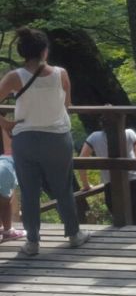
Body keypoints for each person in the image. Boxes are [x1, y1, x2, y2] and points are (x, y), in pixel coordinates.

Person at [0, 27, 89, 255]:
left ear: (23, 52)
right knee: (63, 188)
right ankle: (74, 234)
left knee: (29, 191)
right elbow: (66, 105)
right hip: (57, 138)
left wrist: (5, 124)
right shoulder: (61, 74)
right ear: (45, 51)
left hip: (25, 139)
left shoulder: (15, 77)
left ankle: (32, 242)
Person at [78, 123, 136, 226]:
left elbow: (81, 161)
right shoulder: (130, 133)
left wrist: (86, 185)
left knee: (121, 225)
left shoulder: (94, 137)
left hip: (112, 187)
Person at [0, 132, 25, 242]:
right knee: (6, 202)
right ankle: (8, 231)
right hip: (4, 174)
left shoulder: (5, 160)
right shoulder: (10, 169)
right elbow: (5, 201)